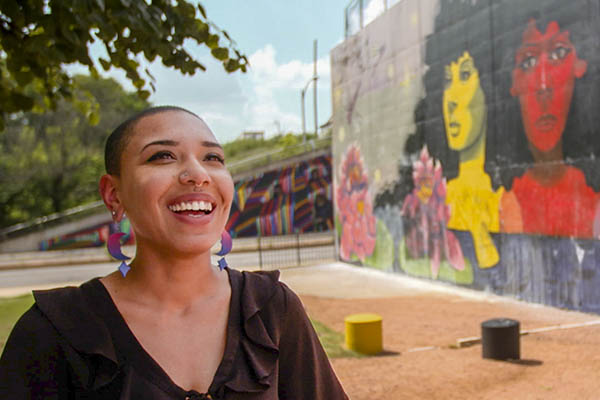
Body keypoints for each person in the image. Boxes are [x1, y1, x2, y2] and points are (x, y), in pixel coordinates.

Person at [0, 106, 348, 399]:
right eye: (162, 156)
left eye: (213, 157)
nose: (197, 174)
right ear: (113, 195)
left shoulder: (272, 309)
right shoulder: (55, 330)